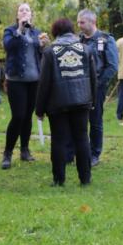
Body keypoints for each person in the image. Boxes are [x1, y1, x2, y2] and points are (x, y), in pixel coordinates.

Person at [35, 18, 97, 187]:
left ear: (55, 32)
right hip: (82, 101)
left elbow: (44, 83)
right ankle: (85, 178)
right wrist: (92, 100)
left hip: (57, 103)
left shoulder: (50, 52)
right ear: (72, 30)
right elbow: (93, 77)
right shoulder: (86, 49)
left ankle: (59, 179)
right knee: (82, 139)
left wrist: (39, 109)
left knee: (59, 140)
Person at [1, 3, 50, 169]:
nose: (24, 12)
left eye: (27, 10)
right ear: (17, 15)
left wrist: (43, 46)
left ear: (31, 15)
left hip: (34, 80)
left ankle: (24, 150)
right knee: (18, 116)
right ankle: (7, 153)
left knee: (28, 116)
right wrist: (20, 31)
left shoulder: (36, 32)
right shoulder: (10, 31)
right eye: (21, 10)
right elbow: (8, 47)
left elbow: (39, 55)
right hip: (16, 80)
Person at [77, 9, 118, 166]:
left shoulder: (106, 40)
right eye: (78, 22)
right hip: (78, 87)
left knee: (95, 121)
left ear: (92, 22)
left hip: (97, 88)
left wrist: (98, 84)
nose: (79, 25)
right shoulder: (78, 40)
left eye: (82, 22)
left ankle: (94, 154)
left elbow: (112, 66)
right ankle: (80, 151)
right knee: (79, 120)